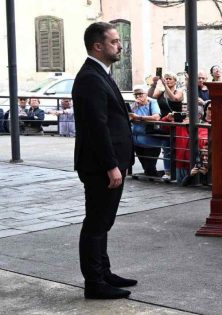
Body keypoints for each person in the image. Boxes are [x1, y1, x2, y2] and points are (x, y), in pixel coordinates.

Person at [72, 22, 137, 299]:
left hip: (109, 163)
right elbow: (96, 127)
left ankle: (104, 272)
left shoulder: (101, 73)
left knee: (103, 222)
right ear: (97, 46)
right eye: (113, 41)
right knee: (96, 224)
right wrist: (111, 165)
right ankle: (94, 283)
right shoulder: (90, 77)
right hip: (100, 166)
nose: (119, 45)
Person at [129, 86, 164, 177]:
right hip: (137, 141)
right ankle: (151, 179)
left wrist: (139, 117)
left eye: (140, 94)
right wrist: (133, 108)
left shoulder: (152, 102)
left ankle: (154, 181)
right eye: (136, 95)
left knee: (150, 166)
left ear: (146, 94)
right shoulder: (134, 105)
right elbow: (128, 116)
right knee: (145, 165)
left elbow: (156, 117)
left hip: (150, 140)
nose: (138, 97)